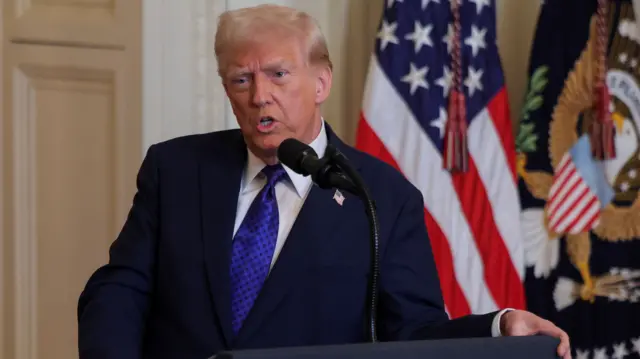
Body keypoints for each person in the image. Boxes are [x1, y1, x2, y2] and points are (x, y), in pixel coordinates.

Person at [77, 4, 571, 359]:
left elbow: (412, 334)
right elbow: (121, 289)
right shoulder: (177, 169)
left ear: (321, 83)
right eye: (240, 80)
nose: (259, 96)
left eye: (278, 75)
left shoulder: (382, 197)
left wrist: (499, 326)